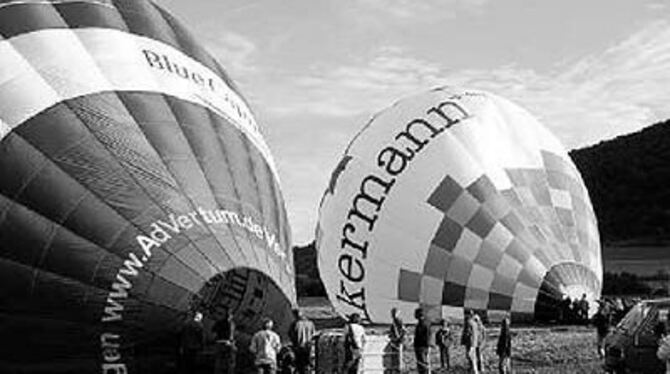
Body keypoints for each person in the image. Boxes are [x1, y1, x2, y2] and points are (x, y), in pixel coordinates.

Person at [288, 308, 316, 374]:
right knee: (308, 365)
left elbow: (291, 335)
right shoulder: (311, 323)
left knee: (300, 366)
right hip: (309, 347)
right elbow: (314, 335)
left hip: (299, 347)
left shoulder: (295, 324)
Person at [213, 308, 236, 374]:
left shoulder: (219, 322)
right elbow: (231, 336)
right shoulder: (231, 324)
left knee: (218, 361)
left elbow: (213, 330)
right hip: (228, 343)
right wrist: (232, 344)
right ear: (231, 316)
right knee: (230, 362)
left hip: (219, 343)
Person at [413, 308, 431, 374]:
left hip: (422, 347)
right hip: (420, 346)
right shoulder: (422, 323)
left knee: (422, 364)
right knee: (421, 364)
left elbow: (427, 335)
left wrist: (427, 345)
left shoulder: (423, 324)